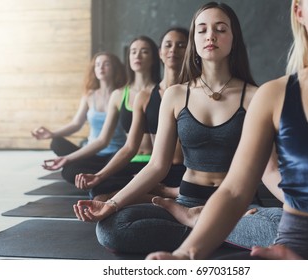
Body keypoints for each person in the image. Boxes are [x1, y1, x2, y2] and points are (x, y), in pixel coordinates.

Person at [147, 0, 308, 260]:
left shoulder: (252, 94)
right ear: (299, 10)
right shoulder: (273, 95)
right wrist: (186, 254)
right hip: (293, 248)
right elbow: (234, 190)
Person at [73, 2, 283, 254]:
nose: (211, 36)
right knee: (112, 228)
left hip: (240, 205)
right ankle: (218, 232)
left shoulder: (255, 96)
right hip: (186, 201)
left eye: (220, 29)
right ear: (194, 40)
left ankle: (199, 225)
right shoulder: (175, 95)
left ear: (234, 38)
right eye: (202, 30)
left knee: (285, 226)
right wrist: (113, 204)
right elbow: (157, 165)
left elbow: (269, 170)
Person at [75, 27, 189, 201]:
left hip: (185, 173)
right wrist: (100, 175)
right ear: (160, 53)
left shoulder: (196, 93)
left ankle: (163, 195)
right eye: (168, 45)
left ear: (190, 51)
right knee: (99, 192)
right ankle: (154, 195)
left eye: (181, 45)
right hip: (155, 169)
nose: (173, 50)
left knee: (109, 201)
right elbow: (130, 147)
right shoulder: (145, 97)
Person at [31, 52, 127, 184]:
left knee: (70, 170)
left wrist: (68, 159)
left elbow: (105, 140)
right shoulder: (90, 95)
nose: (101, 68)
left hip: (114, 154)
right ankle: (100, 174)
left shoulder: (122, 95)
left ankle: (104, 174)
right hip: (90, 152)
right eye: (97, 65)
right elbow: (76, 123)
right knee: (57, 144)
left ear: (115, 68)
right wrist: (52, 133)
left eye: (106, 64)